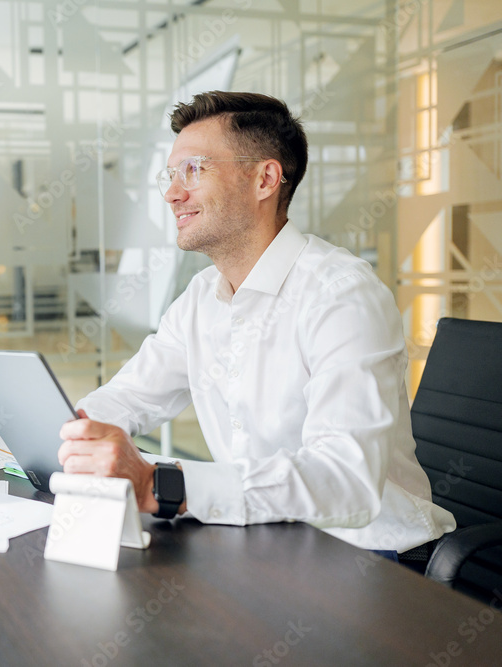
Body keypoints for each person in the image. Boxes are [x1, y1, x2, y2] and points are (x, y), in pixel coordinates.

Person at [57, 91, 455, 558]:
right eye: (171, 175)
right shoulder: (203, 297)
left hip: (371, 554)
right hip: (264, 538)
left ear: (265, 178)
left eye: (194, 170)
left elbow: (345, 479)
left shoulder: (342, 294)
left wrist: (161, 484)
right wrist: (70, 434)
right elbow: (129, 397)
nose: (172, 193)